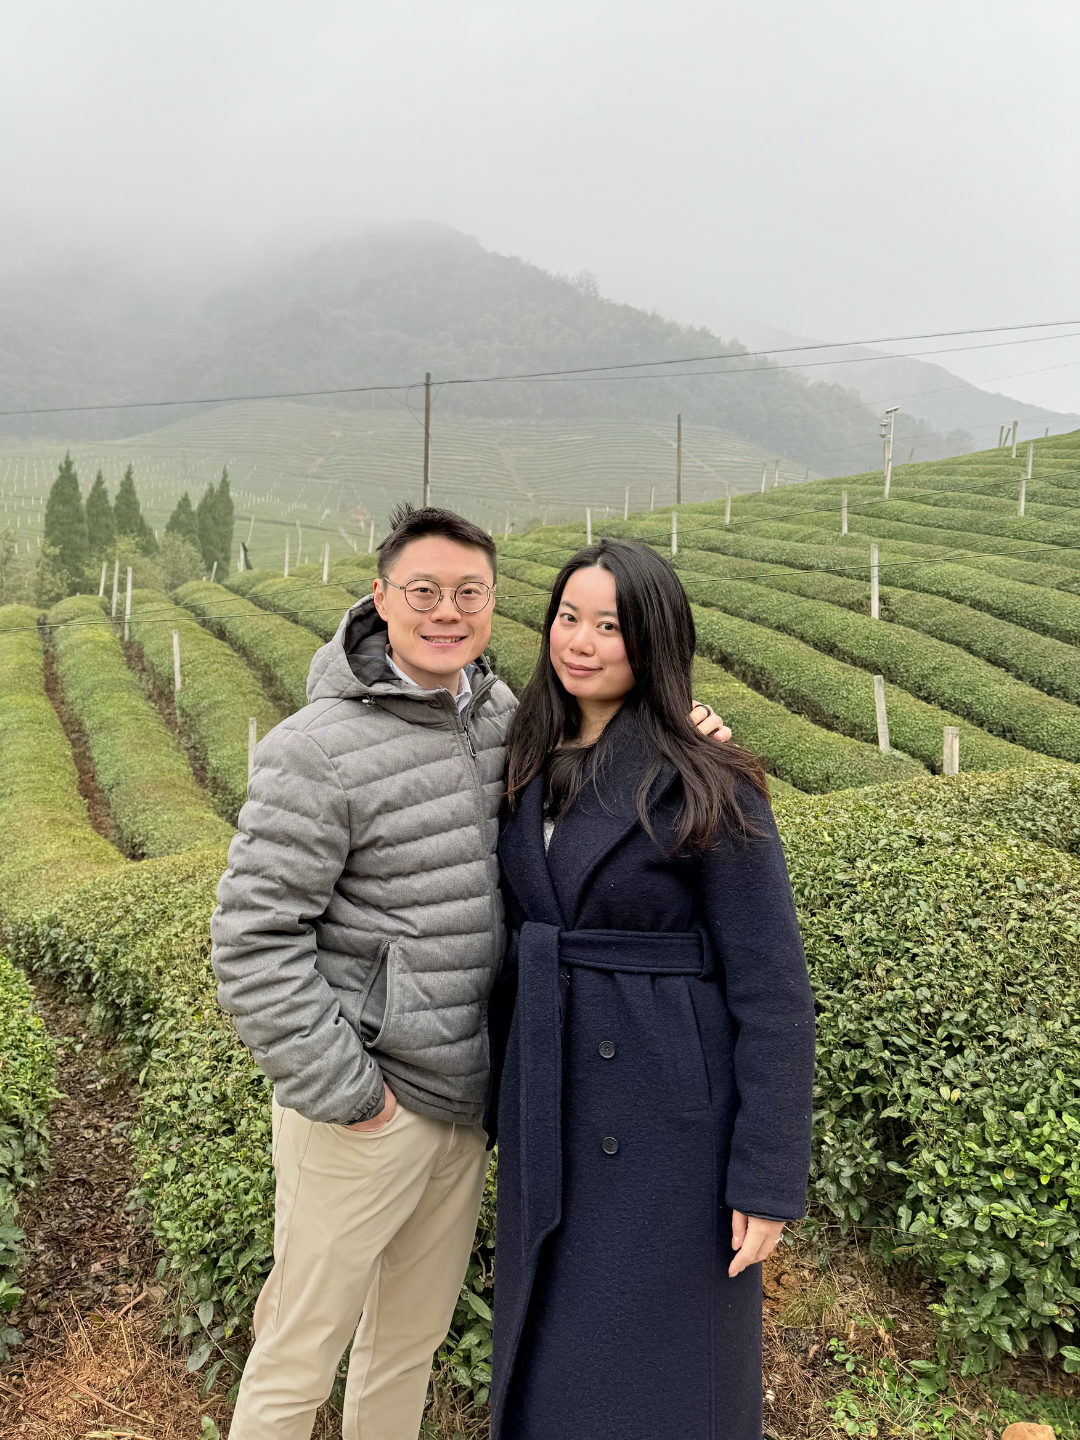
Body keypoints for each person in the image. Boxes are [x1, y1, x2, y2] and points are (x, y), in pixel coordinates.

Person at [211, 504, 730, 1440]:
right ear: (380, 598)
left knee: (406, 1347)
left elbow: (604, 751)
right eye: (423, 591)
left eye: (469, 593)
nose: (446, 612)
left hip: (465, 1104)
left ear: (494, 604)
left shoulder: (503, 718)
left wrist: (685, 728)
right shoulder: (313, 750)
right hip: (363, 1109)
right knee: (298, 1352)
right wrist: (351, 1095)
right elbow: (252, 940)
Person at [488, 537, 816, 1440]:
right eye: (568, 617)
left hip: (670, 1126)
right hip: (549, 1098)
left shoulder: (711, 778)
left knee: (664, 1370)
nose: (580, 641)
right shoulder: (524, 756)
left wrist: (767, 1178)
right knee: (554, 1357)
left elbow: (773, 990)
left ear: (655, 640)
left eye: (611, 625)